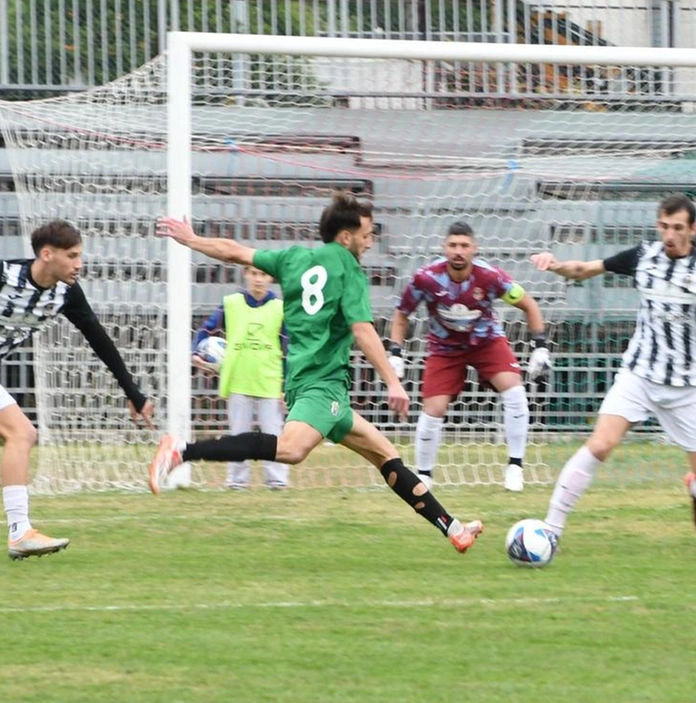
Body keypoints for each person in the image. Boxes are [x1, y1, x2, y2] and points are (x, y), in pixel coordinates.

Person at [152, 192, 484, 553]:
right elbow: (363, 330)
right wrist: (392, 380)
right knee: (292, 451)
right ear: (346, 237)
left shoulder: (295, 258)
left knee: (385, 455)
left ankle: (453, 529)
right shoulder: (348, 269)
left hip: (322, 386)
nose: (370, 242)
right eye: (367, 235)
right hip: (319, 385)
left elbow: (236, 251)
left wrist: (192, 239)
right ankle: (182, 451)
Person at [529, 195, 696, 540]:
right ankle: (550, 530)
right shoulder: (643, 257)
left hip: (688, 385)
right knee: (600, 445)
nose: (669, 235)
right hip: (639, 374)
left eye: (677, 228)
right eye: (663, 227)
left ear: (693, 229)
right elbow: (584, 270)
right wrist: (554, 264)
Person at [0, 220, 155, 559]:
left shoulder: (66, 293)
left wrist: (134, 393)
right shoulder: (1, 275)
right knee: (23, 433)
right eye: (72, 256)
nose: (79, 264)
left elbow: (98, 339)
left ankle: (20, 532)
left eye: (79, 256)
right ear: (46, 254)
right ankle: (20, 532)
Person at [388, 221, 551, 493]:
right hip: (445, 348)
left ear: (474, 249)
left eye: (464, 246)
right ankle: (424, 476)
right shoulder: (426, 278)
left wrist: (541, 346)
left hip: (486, 342)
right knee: (433, 410)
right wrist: (395, 352)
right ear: (444, 248)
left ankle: (515, 467)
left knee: (514, 391)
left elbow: (528, 304)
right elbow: (402, 313)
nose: (458, 251)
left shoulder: (491, 277)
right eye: (453, 245)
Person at [192, 265, 290, 490]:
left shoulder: (280, 309)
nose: (258, 280)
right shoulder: (231, 304)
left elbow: (289, 349)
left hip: (271, 382)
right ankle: (236, 482)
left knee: (273, 435)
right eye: (254, 274)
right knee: (237, 435)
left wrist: (287, 385)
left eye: (263, 275)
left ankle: (277, 481)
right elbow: (205, 331)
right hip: (238, 379)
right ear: (246, 274)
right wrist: (196, 351)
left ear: (270, 278)